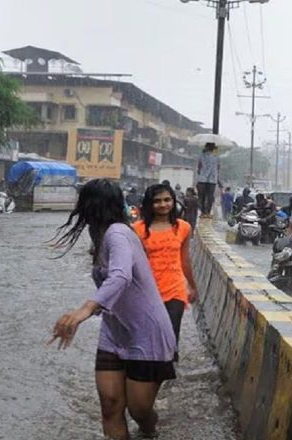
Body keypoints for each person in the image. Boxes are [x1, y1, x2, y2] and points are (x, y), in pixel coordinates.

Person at [47, 179, 176, 440]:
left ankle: (150, 429)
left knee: (139, 410)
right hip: (114, 332)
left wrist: (84, 311)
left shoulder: (118, 233)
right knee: (110, 406)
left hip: (147, 333)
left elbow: (120, 277)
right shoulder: (100, 235)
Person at [134, 184, 199, 362]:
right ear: (149, 204)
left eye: (167, 200)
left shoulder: (183, 228)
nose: (163, 205)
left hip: (175, 290)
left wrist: (192, 286)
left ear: (173, 201)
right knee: (148, 338)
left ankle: (168, 373)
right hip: (147, 291)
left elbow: (185, 260)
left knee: (171, 335)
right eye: (157, 201)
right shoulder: (137, 229)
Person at [196, 143, 220, 218]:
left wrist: (200, 172)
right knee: (210, 196)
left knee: (201, 196)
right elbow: (219, 167)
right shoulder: (216, 156)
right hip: (212, 179)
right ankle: (208, 212)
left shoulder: (201, 155)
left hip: (202, 178)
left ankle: (203, 212)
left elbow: (199, 166)